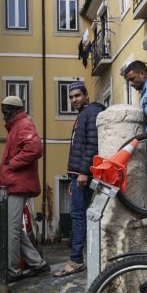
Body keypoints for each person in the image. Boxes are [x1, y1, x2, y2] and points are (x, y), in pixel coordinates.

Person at [0, 96, 49, 281]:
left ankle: (12, 272)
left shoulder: (23, 124)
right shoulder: (17, 126)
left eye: (5, 110)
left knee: (11, 230)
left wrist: (13, 163)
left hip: (17, 184)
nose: (3, 114)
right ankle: (37, 264)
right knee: (14, 228)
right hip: (15, 183)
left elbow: (34, 149)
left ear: (14, 110)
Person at [58, 82, 105, 277]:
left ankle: (76, 260)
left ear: (86, 95)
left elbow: (93, 143)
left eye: (77, 96)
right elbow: (81, 146)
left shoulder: (91, 112)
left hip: (85, 174)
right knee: (81, 215)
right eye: (71, 97)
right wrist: (73, 177)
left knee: (78, 215)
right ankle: (80, 258)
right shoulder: (83, 114)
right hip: (78, 175)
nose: (73, 100)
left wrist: (84, 171)